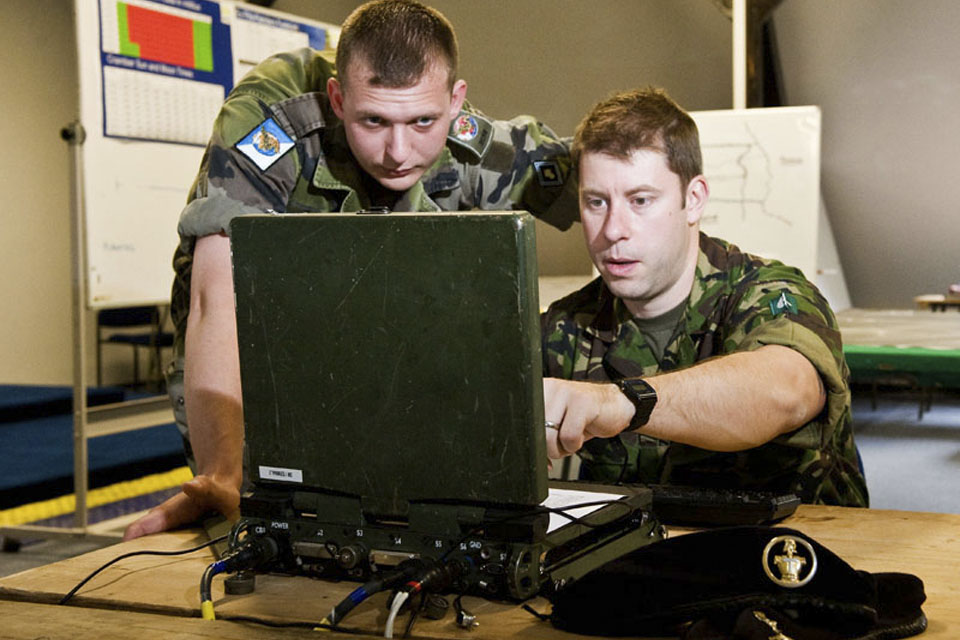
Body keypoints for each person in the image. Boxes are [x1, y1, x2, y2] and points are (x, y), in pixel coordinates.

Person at [124, 0, 577, 540]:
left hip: (382, 359)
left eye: (423, 121)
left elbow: (602, 171)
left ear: (456, 102)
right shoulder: (275, 115)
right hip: (264, 366)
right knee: (267, 538)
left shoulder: (466, 143)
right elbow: (216, 297)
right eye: (373, 120)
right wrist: (224, 472)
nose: (398, 151)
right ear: (339, 98)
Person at [540, 87, 868, 506]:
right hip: (647, 558)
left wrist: (621, 402)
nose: (613, 229)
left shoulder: (767, 291)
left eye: (641, 201)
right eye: (596, 202)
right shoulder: (567, 326)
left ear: (693, 200)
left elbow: (785, 390)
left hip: (791, 554)